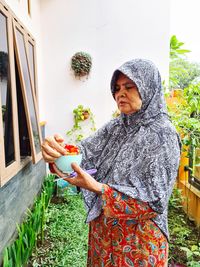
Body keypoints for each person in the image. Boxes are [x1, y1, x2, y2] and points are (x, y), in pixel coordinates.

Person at [41, 58, 181, 267]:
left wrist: (98, 188)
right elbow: (84, 153)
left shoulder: (163, 134)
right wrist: (58, 152)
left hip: (138, 245)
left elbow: (155, 201)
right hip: (103, 237)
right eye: (116, 88)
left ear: (147, 86)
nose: (120, 93)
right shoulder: (116, 127)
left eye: (129, 86)